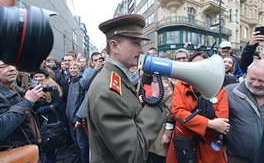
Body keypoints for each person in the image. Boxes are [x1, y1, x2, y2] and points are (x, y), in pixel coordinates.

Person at [87, 14, 165, 163]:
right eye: (135, 43)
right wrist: (156, 104)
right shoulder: (107, 90)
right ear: (114, 46)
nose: (142, 50)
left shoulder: (116, 78)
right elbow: (133, 154)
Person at [166, 51, 230, 163]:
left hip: (209, 149)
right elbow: (178, 112)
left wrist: (193, 122)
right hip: (184, 145)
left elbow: (221, 124)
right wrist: (208, 123)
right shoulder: (181, 85)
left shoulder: (219, 90)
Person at [225, 60, 264, 163]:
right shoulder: (229, 93)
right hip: (236, 159)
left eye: (261, 81)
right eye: (252, 79)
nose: (256, 84)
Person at [0, 60, 45, 149]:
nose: (12, 69)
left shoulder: (13, 88)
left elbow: (26, 116)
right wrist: (28, 102)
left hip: (27, 146)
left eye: (14, 65)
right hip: (11, 153)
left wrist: (36, 99)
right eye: (4, 66)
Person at [32, 67, 64, 163]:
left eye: (40, 76)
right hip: (39, 120)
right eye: (35, 76)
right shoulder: (35, 86)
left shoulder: (51, 86)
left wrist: (42, 110)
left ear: (45, 76)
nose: (38, 78)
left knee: (49, 147)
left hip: (49, 120)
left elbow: (58, 103)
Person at [66, 61, 90, 162]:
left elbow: (83, 101)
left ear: (79, 69)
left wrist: (79, 118)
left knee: (82, 143)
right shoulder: (71, 81)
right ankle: (79, 157)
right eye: (71, 68)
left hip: (78, 118)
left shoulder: (81, 81)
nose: (72, 70)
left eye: (75, 68)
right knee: (75, 141)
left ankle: (84, 160)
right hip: (70, 117)